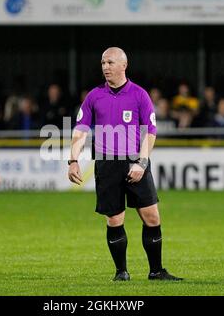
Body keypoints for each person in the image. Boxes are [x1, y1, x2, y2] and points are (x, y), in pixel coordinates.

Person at [68, 47, 182, 282]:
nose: (105, 67)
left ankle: (156, 271)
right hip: (107, 164)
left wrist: (141, 162)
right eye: (102, 63)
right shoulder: (94, 96)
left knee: (152, 217)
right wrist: (72, 160)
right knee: (114, 219)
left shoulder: (139, 95)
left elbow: (150, 132)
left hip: (135, 163)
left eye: (110, 63)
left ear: (123, 65)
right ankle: (121, 272)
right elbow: (80, 130)